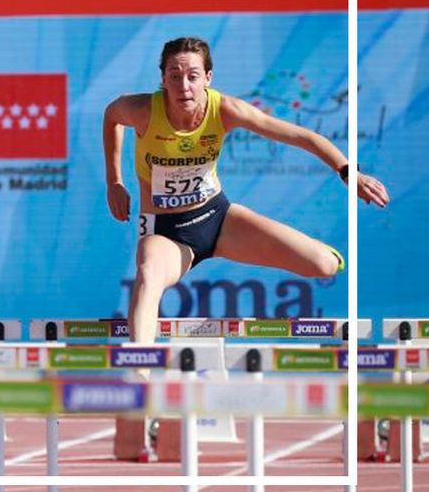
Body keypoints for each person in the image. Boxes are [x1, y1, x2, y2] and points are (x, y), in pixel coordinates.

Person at [103, 36, 389, 344]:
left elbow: (299, 135)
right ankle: (141, 373)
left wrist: (348, 172)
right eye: (174, 76)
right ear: (163, 79)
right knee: (148, 275)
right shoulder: (142, 110)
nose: (183, 86)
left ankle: (323, 254)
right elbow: (111, 117)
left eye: (192, 76)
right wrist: (114, 182)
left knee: (323, 265)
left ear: (208, 78)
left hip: (218, 219)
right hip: (165, 233)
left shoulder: (226, 109)